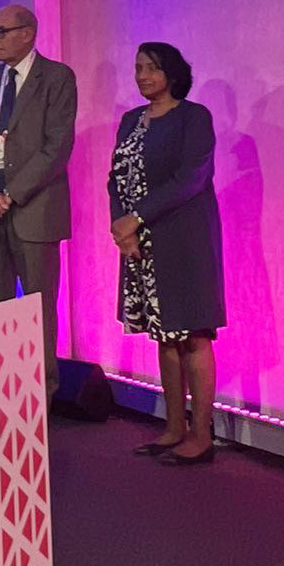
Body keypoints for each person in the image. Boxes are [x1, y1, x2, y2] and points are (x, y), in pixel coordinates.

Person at [109, 43, 224, 464]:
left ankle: (201, 435)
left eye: (152, 68)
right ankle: (174, 427)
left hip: (183, 238)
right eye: (138, 67)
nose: (142, 75)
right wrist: (121, 227)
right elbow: (115, 179)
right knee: (164, 334)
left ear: (172, 73)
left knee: (192, 333)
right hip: (140, 242)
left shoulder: (194, 117)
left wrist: (135, 218)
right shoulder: (130, 121)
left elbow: (190, 178)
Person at [0, 5, 76, 401]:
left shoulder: (57, 78)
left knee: (37, 309)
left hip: (34, 211)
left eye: (2, 31)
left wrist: (12, 194)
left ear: (27, 33)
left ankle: (39, 398)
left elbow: (56, 147)